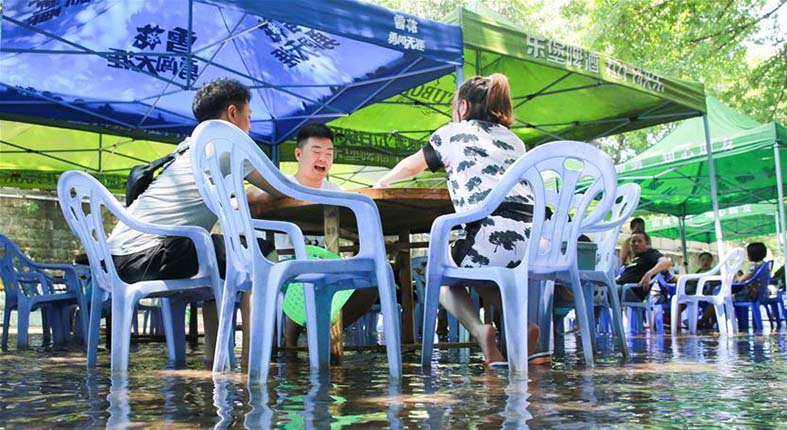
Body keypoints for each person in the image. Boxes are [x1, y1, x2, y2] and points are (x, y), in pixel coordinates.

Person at [107, 78, 282, 367]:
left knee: (221, 261)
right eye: (249, 118)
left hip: (119, 257)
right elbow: (281, 188)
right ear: (232, 113)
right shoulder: (229, 145)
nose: (250, 127)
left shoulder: (189, 150)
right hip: (150, 255)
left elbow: (235, 192)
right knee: (256, 253)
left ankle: (215, 359)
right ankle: (254, 365)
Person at [374, 73, 541, 367]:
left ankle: (480, 332)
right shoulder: (515, 141)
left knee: (438, 274)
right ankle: (521, 325)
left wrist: (381, 183)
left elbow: (412, 167)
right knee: (480, 271)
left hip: (488, 237)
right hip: (532, 242)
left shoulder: (453, 132)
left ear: (463, 107)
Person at [281, 123, 379, 349]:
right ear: (298, 154)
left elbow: (359, 229)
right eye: (316, 152)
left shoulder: (337, 192)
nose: (323, 159)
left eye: (329, 154)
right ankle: (293, 335)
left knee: (371, 280)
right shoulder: (283, 187)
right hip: (290, 270)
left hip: (330, 268)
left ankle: (318, 327)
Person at [616, 232, 672, 302]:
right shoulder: (635, 259)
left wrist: (648, 274)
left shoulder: (650, 253)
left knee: (604, 292)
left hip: (631, 291)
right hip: (619, 288)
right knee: (601, 290)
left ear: (647, 243)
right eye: (633, 241)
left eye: (639, 241)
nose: (636, 244)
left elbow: (666, 262)